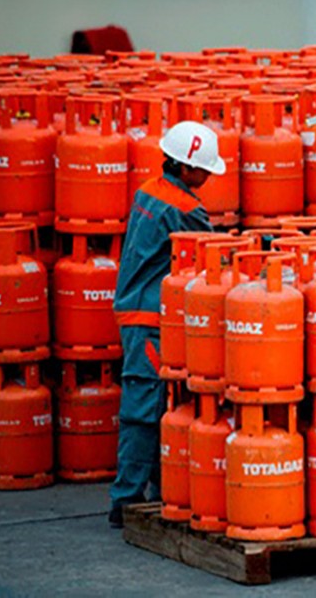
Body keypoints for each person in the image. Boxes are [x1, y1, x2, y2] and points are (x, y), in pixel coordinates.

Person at [108, 121, 223, 528]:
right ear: (187, 167)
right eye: (204, 169)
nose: (208, 176)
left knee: (160, 406)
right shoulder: (186, 209)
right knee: (144, 409)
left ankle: (159, 491)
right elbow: (213, 255)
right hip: (150, 317)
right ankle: (125, 500)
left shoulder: (147, 190)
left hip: (135, 309)